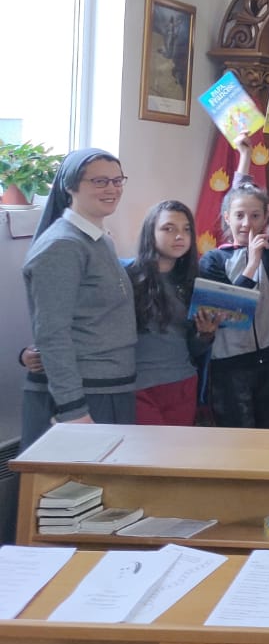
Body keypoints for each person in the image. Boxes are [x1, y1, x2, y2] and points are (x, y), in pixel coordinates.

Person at [20, 149, 138, 446]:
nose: (112, 189)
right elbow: (52, 334)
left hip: (108, 387)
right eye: (99, 181)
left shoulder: (99, 239)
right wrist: (73, 410)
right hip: (81, 396)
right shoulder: (62, 245)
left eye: (117, 180)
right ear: (70, 186)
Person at [199, 136, 269, 428]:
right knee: (237, 440)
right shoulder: (213, 260)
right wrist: (251, 265)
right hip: (231, 366)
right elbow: (228, 313)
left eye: (255, 216)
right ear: (227, 218)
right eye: (240, 216)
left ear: (265, 219)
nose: (247, 223)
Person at [126, 201, 217, 426]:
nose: (179, 236)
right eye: (168, 228)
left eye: (186, 230)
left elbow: (193, 348)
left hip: (182, 382)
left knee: (178, 447)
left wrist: (205, 334)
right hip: (138, 386)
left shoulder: (195, 282)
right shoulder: (127, 278)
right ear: (151, 233)